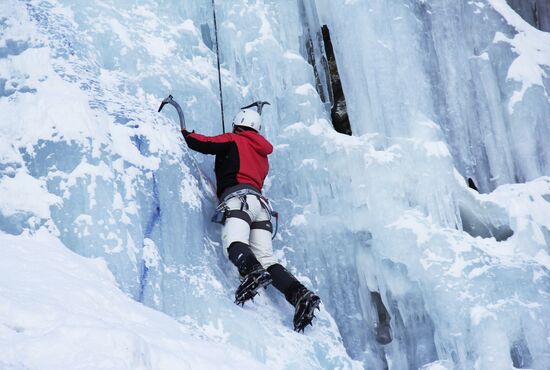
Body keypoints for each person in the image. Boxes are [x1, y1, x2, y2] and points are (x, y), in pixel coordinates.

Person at [181, 105, 320, 332]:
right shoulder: (263, 155)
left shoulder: (234, 139)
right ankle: (300, 295)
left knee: (234, 242)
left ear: (238, 125)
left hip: (239, 200)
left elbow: (205, 143)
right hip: (261, 207)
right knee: (266, 258)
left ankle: (252, 272)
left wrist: (186, 133)